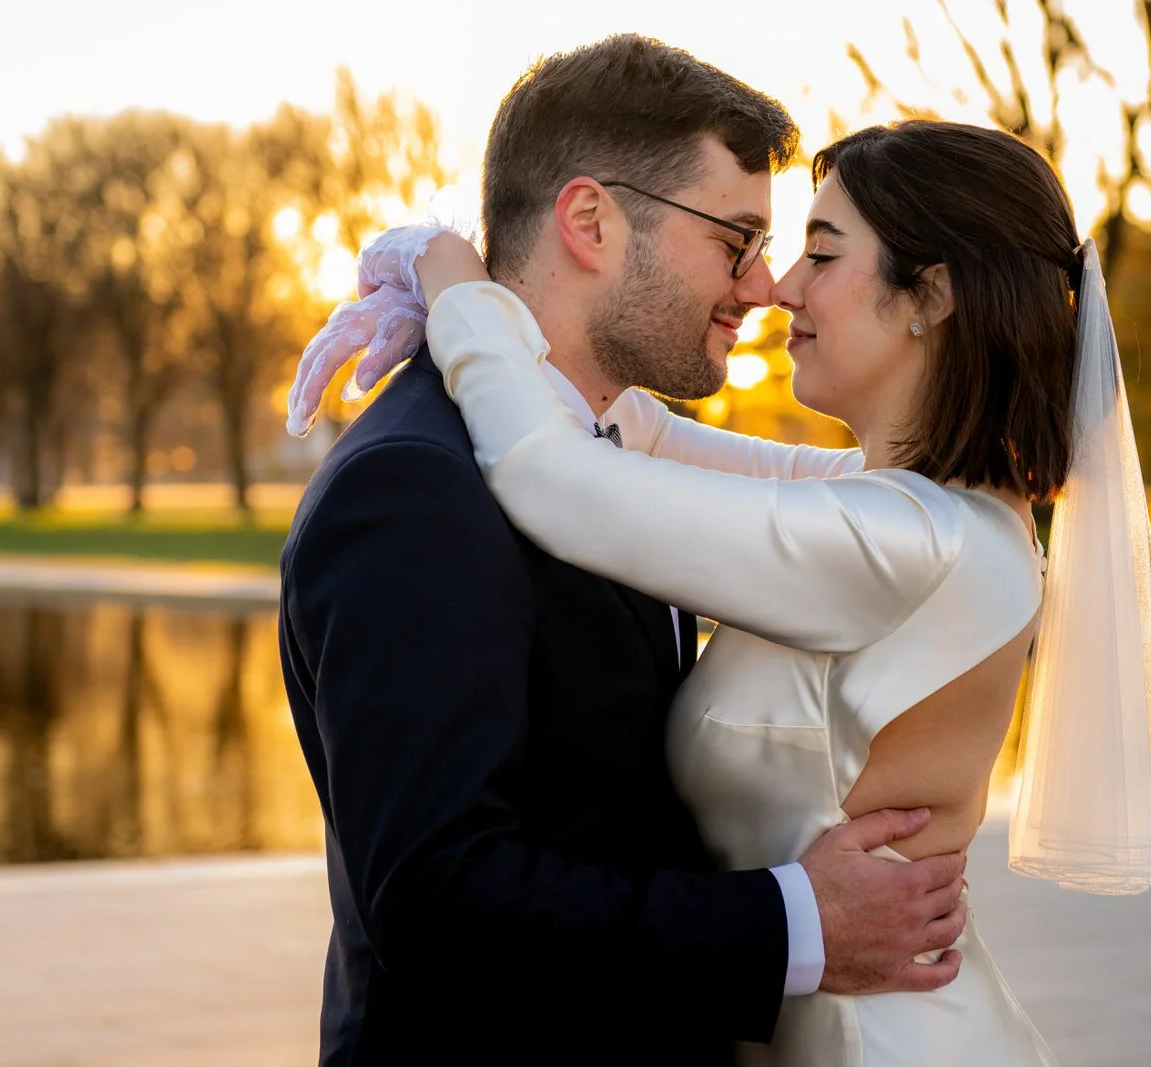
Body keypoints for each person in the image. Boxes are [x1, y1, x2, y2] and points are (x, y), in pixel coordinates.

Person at [294, 115, 1151, 1064]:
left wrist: (453, 285)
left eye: (820, 252)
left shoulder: (906, 540)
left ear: (930, 295)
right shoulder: (918, 508)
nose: (780, 287)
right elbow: (636, 434)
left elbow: (557, 475)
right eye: (756, 246)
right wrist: (521, 328)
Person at [278, 36, 974, 1067]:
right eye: (735, 239)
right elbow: (437, 896)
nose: (760, 286)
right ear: (591, 222)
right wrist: (794, 921)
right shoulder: (414, 488)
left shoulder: (608, 443)